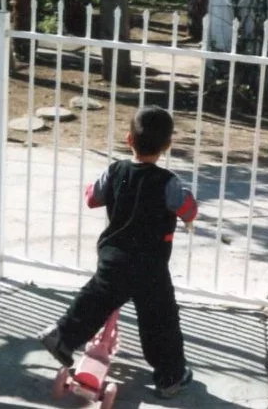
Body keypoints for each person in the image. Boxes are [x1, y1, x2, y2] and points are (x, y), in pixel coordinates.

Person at [38, 105, 198, 400]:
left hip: (114, 258)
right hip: (149, 266)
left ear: (128, 139)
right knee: (160, 320)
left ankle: (61, 336)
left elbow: (91, 198)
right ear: (167, 146)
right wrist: (187, 209)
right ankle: (170, 376)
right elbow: (189, 209)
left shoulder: (115, 171)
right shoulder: (169, 183)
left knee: (94, 300)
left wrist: (102, 189)